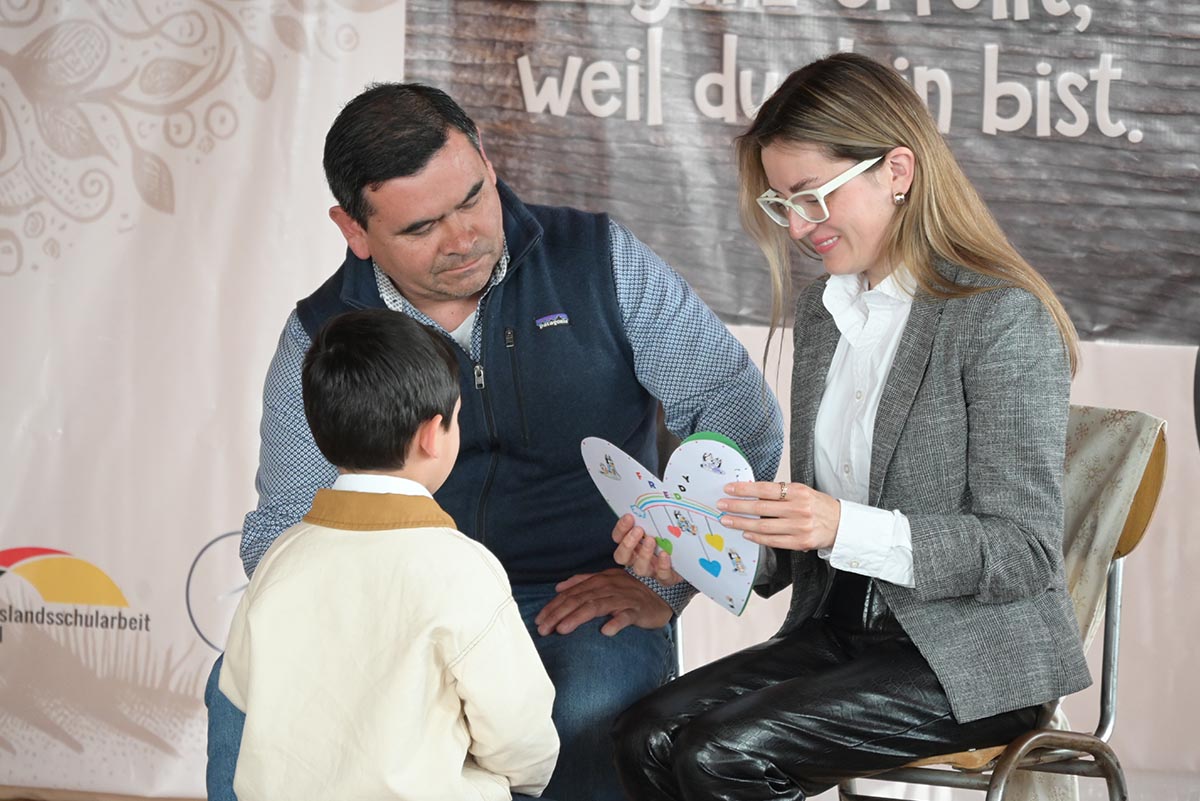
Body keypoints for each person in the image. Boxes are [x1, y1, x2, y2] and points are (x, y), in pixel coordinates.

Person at [204, 83, 784, 801]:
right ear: (354, 230)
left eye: (473, 199)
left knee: (585, 714)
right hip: (399, 602)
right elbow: (286, 523)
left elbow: (734, 407)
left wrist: (667, 577)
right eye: (421, 228)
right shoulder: (320, 332)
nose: (463, 238)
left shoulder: (599, 259)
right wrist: (361, 626)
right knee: (239, 702)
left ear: (485, 158)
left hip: (580, 591)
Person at [609, 52, 1091, 800]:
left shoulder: (1000, 318)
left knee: (715, 754)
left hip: (969, 658)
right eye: (782, 204)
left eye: (813, 196)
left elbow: (1022, 552)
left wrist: (840, 525)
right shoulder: (825, 314)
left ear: (897, 170)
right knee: (643, 735)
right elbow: (806, 537)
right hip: (835, 629)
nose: (800, 227)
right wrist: (701, 553)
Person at [219, 309, 558, 801]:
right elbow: (520, 733)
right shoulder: (462, 568)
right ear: (432, 434)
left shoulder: (281, 556)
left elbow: (241, 689)